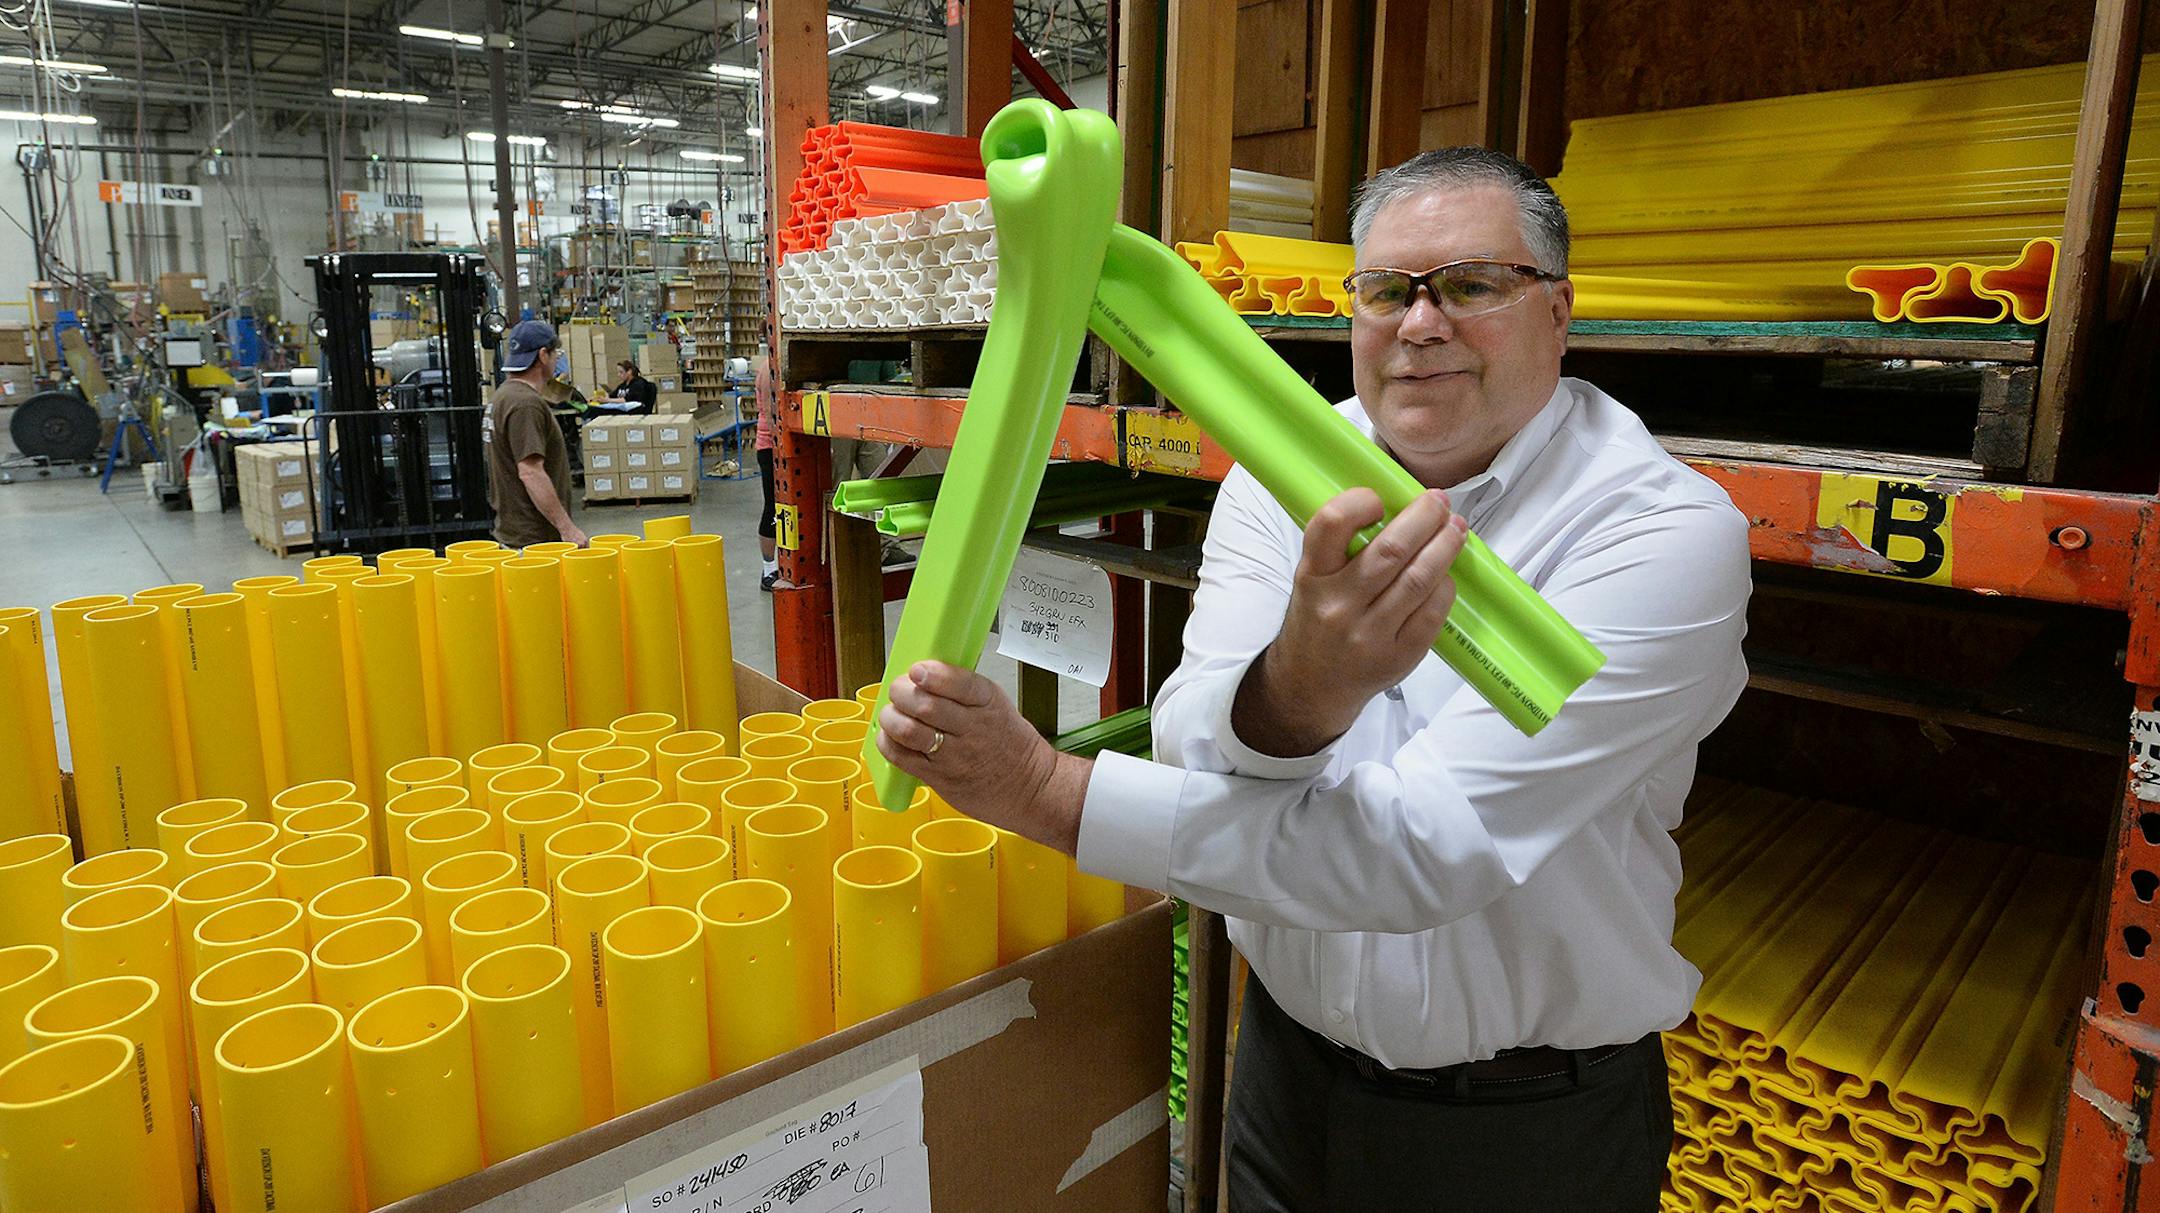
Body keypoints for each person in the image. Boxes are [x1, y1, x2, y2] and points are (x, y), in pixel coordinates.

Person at [871, 148, 1751, 1210]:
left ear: (1558, 311)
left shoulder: (1660, 532)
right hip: (1288, 1085)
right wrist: (1302, 690)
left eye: (1471, 284)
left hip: (1523, 1134)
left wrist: (1050, 792)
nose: (1420, 325)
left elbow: (1422, 849)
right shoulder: (1281, 470)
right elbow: (1199, 739)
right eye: (1387, 291)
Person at [487, 319, 588, 549]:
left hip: (518, 534)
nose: (556, 359)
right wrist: (567, 528)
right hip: (533, 541)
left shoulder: (502, 396)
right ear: (543, 355)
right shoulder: (525, 404)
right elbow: (530, 472)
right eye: (556, 354)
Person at [754, 348, 780, 590]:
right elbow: (772, 416)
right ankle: (768, 569)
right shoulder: (768, 368)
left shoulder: (779, 363)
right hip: (770, 446)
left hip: (780, 446)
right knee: (772, 506)